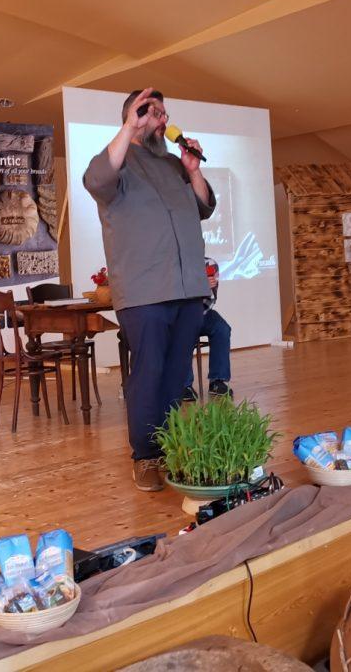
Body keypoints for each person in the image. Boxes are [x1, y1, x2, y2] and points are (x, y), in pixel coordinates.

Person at [84, 87, 215, 492]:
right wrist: (129, 127)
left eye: (163, 113)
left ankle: (170, 448)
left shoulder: (174, 165)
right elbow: (96, 179)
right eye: (152, 112)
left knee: (177, 377)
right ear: (133, 116)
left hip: (187, 289)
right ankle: (144, 456)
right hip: (144, 292)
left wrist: (193, 170)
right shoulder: (118, 162)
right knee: (149, 373)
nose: (162, 119)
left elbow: (205, 207)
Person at [182, 257, 233, 401]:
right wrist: (200, 286)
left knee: (222, 329)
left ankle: (217, 381)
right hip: (181, 315)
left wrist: (204, 289)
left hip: (202, 311)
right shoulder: (175, 263)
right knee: (184, 332)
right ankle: (184, 385)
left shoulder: (210, 264)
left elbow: (211, 300)